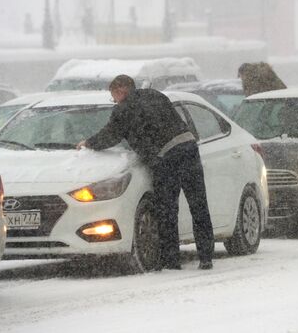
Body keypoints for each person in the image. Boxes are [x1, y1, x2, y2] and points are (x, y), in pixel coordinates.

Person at [76, 75, 214, 270]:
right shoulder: (155, 95)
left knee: (167, 209)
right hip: (188, 148)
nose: (114, 101)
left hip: (166, 157)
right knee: (198, 204)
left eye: (113, 96)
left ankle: (171, 259)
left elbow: (110, 135)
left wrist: (88, 143)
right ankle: (206, 256)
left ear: (120, 91)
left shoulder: (123, 109)